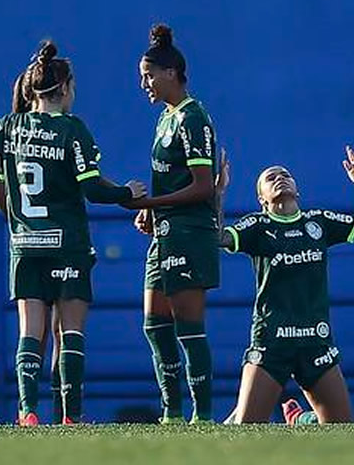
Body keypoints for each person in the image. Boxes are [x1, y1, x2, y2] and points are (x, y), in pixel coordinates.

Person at [0, 42, 146, 425]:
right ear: (64, 88)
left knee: (31, 330)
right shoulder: (72, 130)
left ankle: (27, 411)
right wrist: (129, 194)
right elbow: (93, 188)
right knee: (69, 331)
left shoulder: (11, 126)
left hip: (25, 244)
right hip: (67, 244)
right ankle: (71, 416)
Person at [219, 148, 354, 425]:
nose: (280, 178)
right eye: (271, 177)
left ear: (298, 190)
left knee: (342, 432)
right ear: (261, 199)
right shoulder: (258, 226)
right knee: (245, 430)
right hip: (273, 342)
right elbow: (219, 237)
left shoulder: (317, 221)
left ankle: (301, 421)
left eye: (286, 175)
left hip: (315, 341)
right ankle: (244, 414)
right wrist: (218, 193)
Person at [129, 24, 220, 423]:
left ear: (171, 72)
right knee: (154, 323)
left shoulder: (193, 118)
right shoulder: (164, 119)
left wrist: (151, 201)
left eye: (148, 75)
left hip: (189, 233)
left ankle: (201, 415)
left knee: (189, 327)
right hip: (163, 233)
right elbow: (170, 176)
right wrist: (151, 209)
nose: (144, 83)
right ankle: (172, 413)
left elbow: (203, 187)